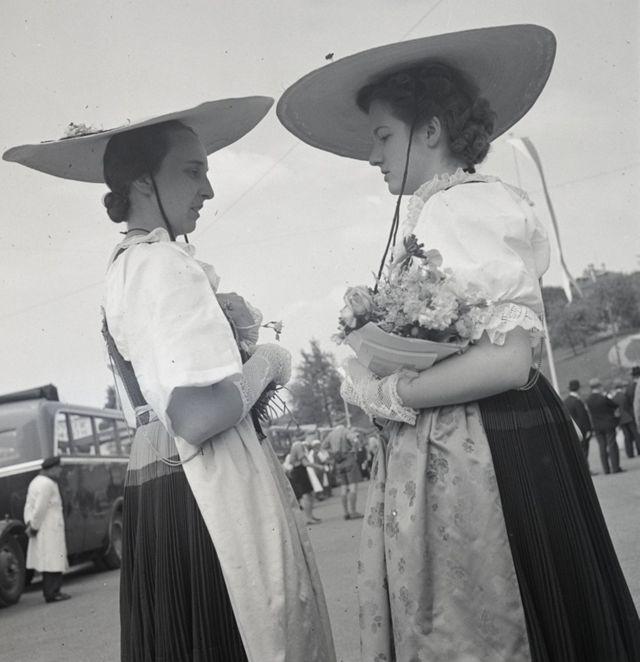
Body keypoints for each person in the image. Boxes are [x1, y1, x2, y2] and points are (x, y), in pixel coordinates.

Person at [277, 25, 640, 662]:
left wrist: (385, 392)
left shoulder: (464, 205)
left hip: (491, 446)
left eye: (383, 136)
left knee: (501, 616)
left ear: (431, 130)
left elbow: (509, 360)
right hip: (469, 442)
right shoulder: (437, 210)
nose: (372, 155)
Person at [4, 99, 335, 662]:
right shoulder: (163, 263)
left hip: (158, 474)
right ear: (142, 182)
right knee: (244, 627)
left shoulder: (125, 263)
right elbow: (197, 415)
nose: (208, 189)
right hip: (202, 480)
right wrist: (267, 362)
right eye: (192, 171)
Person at [23, 456, 71, 603]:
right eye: (58, 468)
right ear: (52, 469)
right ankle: (53, 592)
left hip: (44, 527)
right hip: (49, 527)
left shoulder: (35, 482)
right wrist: (34, 526)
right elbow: (40, 508)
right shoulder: (47, 484)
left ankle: (52, 591)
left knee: (49, 560)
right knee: (53, 560)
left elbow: (28, 507)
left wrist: (30, 523)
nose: (60, 471)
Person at [324, 426, 363, 520]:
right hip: (349, 459)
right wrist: (354, 450)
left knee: (344, 487)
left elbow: (324, 446)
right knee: (353, 486)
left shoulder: (331, 434)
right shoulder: (346, 431)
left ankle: (345, 512)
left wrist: (333, 452)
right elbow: (355, 440)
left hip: (339, 462)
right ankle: (353, 511)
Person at [586, 377, 623, 474]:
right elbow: (615, 405)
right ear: (599, 386)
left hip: (597, 426)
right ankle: (615, 467)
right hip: (608, 424)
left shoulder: (588, 400)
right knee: (612, 445)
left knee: (602, 447)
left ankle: (606, 469)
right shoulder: (603, 398)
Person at [288, 439, 322, 523]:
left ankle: (310, 516)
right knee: (307, 494)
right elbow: (305, 463)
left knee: (309, 494)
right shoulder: (298, 446)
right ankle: (309, 518)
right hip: (300, 471)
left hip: (299, 471)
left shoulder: (295, 446)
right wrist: (318, 466)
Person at [563, 379, 595, 469]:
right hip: (582, 430)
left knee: (577, 451)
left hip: (571, 429)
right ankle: (585, 470)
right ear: (578, 389)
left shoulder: (566, 401)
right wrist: (588, 429)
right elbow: (583, 416)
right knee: (584, 451)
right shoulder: (577, 401)